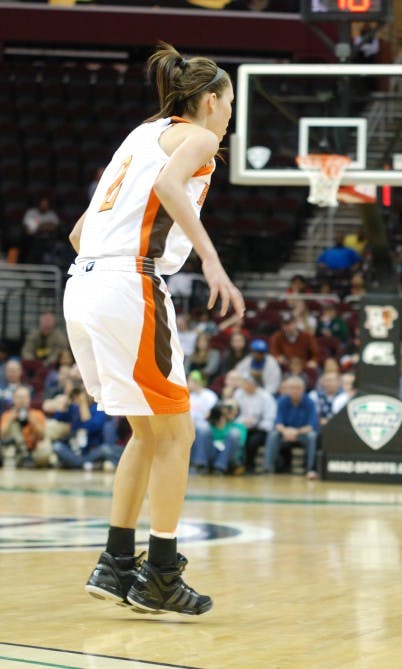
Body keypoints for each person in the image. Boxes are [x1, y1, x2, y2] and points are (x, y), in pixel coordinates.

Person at [64, 43, 242, 616]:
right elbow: (169, 188)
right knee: (179, 437)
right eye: (230, 103)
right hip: (128, 286)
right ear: (209, 100)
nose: (230, 115)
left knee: (148, 434)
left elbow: (77, 232)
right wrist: (211, 261)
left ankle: (117, 563)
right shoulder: (199, 137)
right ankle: (161, 573)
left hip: (83, 283)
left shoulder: (139, 136)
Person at [263, 376, 319, 479]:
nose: (294, 390)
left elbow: (311, 426)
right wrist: (285, 431)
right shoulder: (282, 401)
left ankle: (311, 469)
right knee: (273, 435)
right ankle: (268, 469)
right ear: (287, 389)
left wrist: (296, 432)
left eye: (297, 388)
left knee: (312, 436)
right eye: (292, 388)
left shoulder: (310, 402)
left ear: (303, 389)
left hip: (302, 435)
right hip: (285, 434)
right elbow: (277, 423)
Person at [232, 374, 276, 474]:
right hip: (242, 426)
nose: (245, 386)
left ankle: (250, 466)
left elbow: (270, 417)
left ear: (254, 384)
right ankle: (235, 464)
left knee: (253, 441)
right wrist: (243, 420)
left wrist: (257, 424)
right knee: (236, 436)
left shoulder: (266, 397)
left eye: (247, 384)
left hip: (260, 429)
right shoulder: (238, 394)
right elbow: (235, 413)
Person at [1, 385, 52, 468]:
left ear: (29, 399)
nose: (22, 400)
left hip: (34, 451)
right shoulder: (7, 415)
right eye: (19, 397)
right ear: (14, 399)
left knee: (46, 451)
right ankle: (22, 456)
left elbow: (42, 436)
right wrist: (11, 419)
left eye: (24, 397)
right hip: (15, 450)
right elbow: (2, 435)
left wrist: (33, 421)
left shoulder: (37, 414)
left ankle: (27, 459)